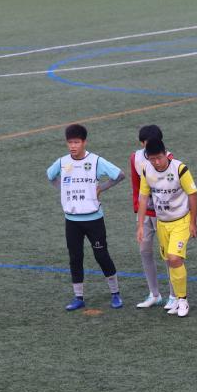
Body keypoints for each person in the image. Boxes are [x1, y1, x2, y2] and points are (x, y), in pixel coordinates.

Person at [47, 123, 125, 311]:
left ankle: (115, 293)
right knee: (75, 258)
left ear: (84, 142)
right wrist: (63, 190)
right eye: (70, 142)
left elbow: (120, 175)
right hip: (72, 221)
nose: (73, 146)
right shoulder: (62, 162)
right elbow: (50, 175)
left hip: (94, 219)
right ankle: (78, 297)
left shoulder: (96, 161)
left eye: (76, 142)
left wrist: (101, 188)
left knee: (102, 256)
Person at [136, 138, 197, 317]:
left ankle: (183, 300)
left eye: (159, 158)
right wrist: (140, 225)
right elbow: (143, 197)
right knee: (170, 261)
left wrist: (193, 222)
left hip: (181, 221)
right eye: (152, 159)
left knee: (174, 258)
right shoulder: (146, 170)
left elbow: (193, 195)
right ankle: (177, 298)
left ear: (166, 154)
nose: (156, 162)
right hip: (162, 223)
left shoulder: (180, 169)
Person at [129, 125, 167, 308]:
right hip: (145, 213)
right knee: (145, 251)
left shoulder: (168, 158)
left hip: (164, 214)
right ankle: (154, 294)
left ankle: (175, 295)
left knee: (168, 254)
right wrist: (138, 209)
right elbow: (136, 185)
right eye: (146, 143)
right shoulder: (135, 158)